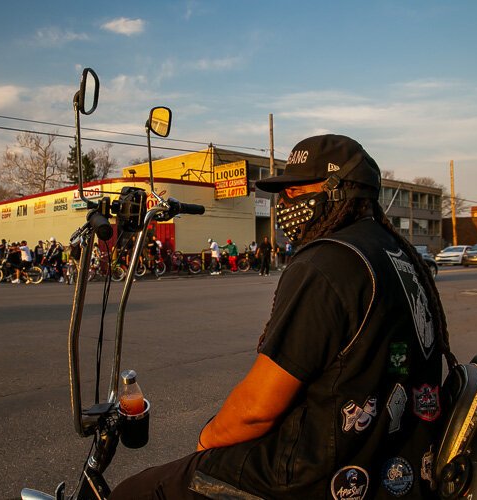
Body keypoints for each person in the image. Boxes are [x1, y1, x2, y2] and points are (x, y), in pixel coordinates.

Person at [111, 134, 453, 499]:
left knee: (138, 490)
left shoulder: (327, 262)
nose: (284, 203)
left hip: (315, 472)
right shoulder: (395, 253)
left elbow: (256, 410)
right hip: (393, 465)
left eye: (293, 192)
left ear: (336, 191)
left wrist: (207, 441)